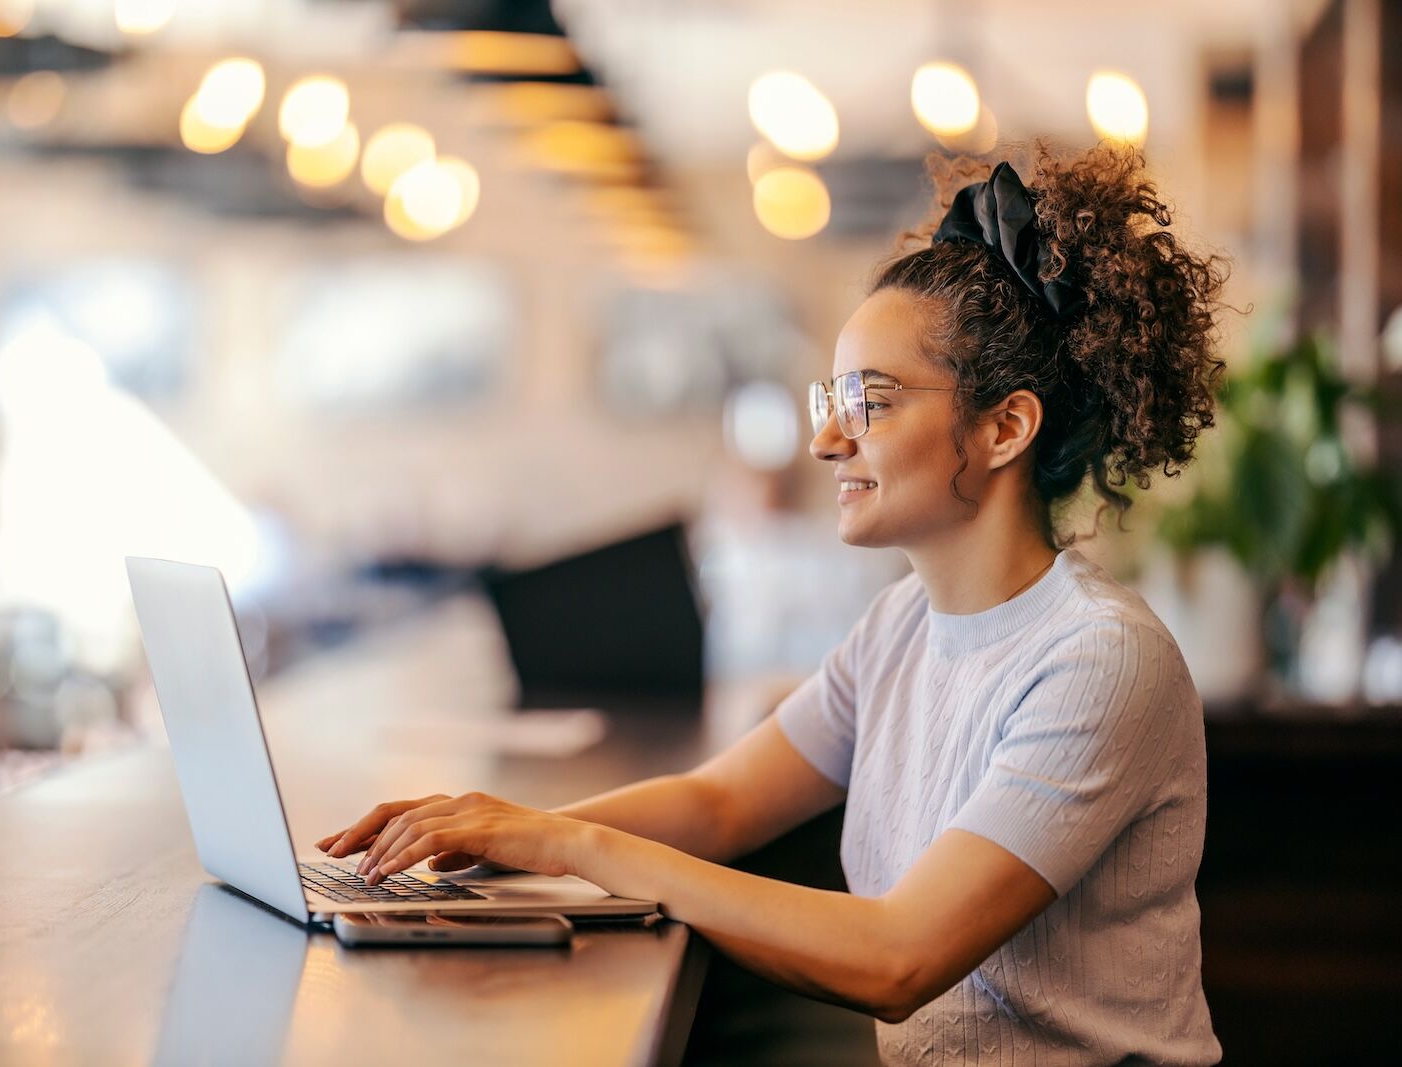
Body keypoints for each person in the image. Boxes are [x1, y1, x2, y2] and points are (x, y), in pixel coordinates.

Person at [316, 142, 1229, 1065]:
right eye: (830, 398)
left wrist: (574, 847)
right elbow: (718, 803)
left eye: (868, 400)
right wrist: (498, 830)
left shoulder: (1098, 660)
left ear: (1005, 427)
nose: (828, 439)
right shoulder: (899, 628)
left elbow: (899, 956)